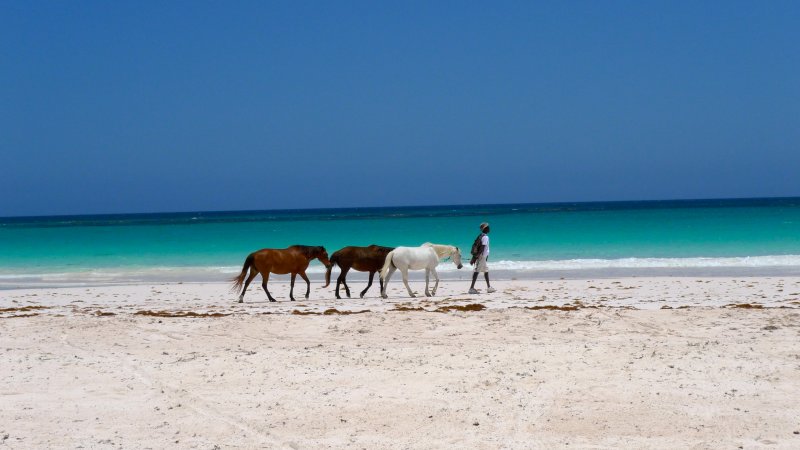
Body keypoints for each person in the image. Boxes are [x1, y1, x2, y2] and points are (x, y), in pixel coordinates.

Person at [469, 222, 495, 294]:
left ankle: (489, 287)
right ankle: (471, 288)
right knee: (477, 271)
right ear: (485, 229)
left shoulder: (481, 236)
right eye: (488, 227)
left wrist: (475, 257)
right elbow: (482, 248)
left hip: (483, 257)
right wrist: (475, 257)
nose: (489, 228)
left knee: (486, 271)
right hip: (482, 257)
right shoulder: (485, 237)